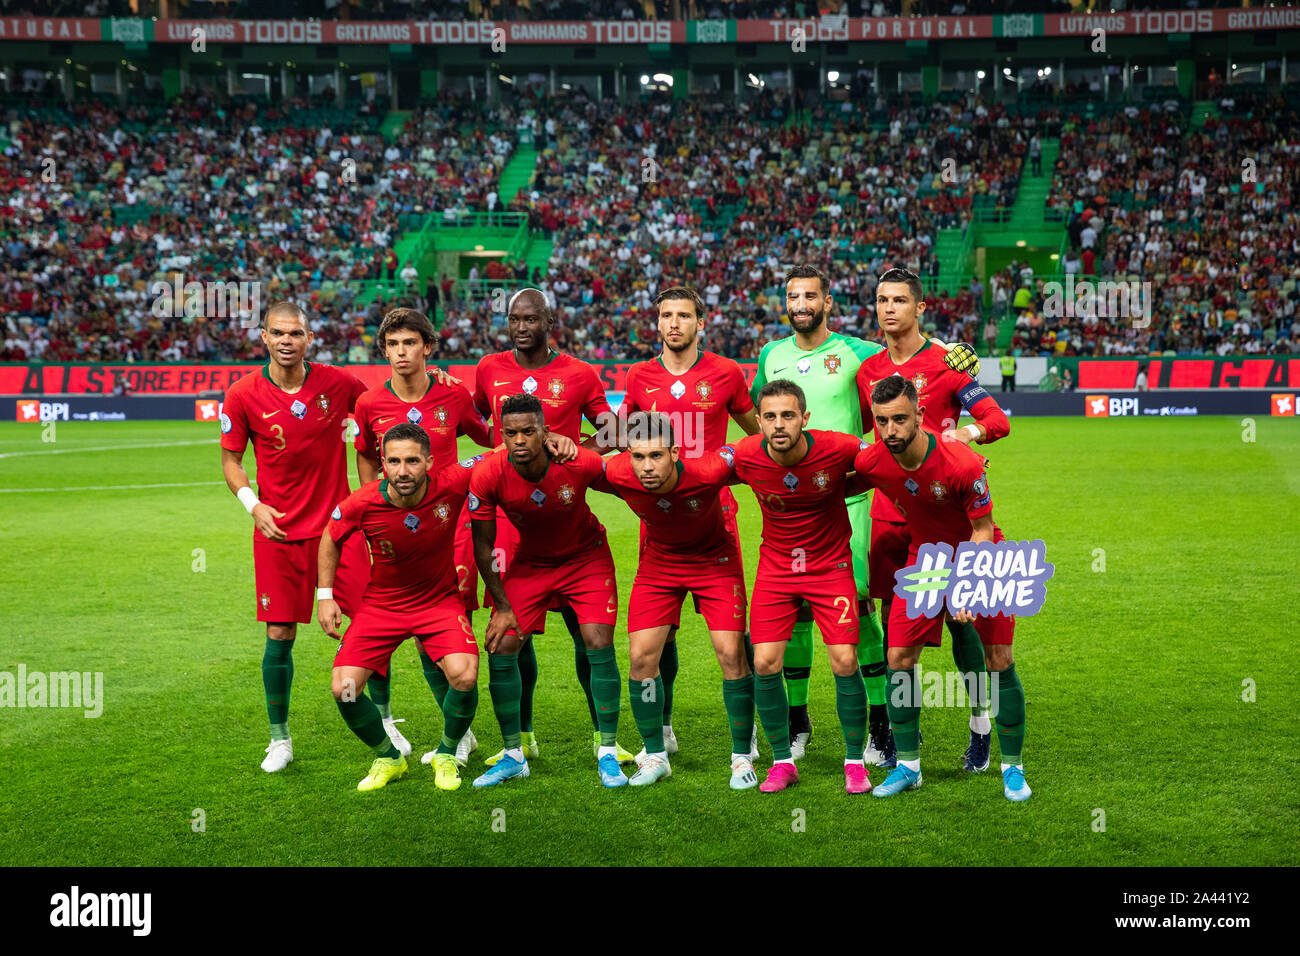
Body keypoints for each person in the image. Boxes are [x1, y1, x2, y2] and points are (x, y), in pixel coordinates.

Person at [750, 265, 978, 763]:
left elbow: (909, 362)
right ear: (785, 302)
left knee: (860, 605)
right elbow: (757, 417)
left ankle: (879, 726)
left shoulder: (859, 353)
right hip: (793, 507)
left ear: (827, 302)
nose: (802, 303)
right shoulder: (770, 355)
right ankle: (796, 720)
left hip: (853, 501)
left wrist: (952, 354)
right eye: (793, 296)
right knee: (797, 611)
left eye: (811, 295)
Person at [856, 267, 1010, 771]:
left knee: (965, 624)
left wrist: (964, 437)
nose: (888, 309)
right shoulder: (868, 370)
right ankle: (896, 734)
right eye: (881, 300)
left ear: (920, 307)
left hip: (948, 511)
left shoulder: (948, 362)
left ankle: (980, 723)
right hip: (890, 514)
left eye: (899, 300)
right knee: (893, 630)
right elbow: (871, 439)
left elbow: (996, 421)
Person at [472, 288, 634, 765]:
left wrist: (577, 449)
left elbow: (615, 431)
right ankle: (521, 738)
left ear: (548, 321)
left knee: (586, 634)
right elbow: (479, 421)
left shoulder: (579, 374)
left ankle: (603, 736)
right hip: (509, 514)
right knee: (514, 634)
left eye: (530, 319)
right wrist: (501, 454)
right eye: (513, 320)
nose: (521, 327)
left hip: (566, 509)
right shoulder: (488, 368)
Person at [854, 376, 1030, 802]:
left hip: (982, 555)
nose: (891, 430)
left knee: (999, 658)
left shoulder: (962, 463)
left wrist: (967, 586)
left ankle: (1013, 768)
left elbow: (983, 529)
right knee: (898, 655)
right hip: (926, 560)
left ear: (920, 415)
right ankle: (909, 767)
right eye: (882, 421)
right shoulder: (874, 461)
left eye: (899, 419)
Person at [219, 301, 369, 773]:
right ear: (263, 337)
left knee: (370, 625)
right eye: (277, 333)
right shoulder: (242, 394)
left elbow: (381, 405)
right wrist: (253, 504)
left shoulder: (338, 382)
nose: (286, 341)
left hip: (339, 530)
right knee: (280, 632)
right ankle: (279, 739)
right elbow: (231, 461)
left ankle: (384, 720)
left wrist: (436, 379)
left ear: (309, 338)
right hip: (279, 531)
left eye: (295, 333)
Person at [619, 286, 760, 759]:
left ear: (702, 322)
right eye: (666, 316)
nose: (674, 323)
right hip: (658, 519)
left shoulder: (726, 373)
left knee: (730, 638)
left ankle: (748, 731)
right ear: (657, 323)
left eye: (683, 316)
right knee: (659, 635)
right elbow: (622, 438)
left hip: (715, 517)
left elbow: (757, 435)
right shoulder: (640, 377)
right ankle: (662, 728)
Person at [352, 307, 493, 766]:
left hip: (453, 527)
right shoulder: (370, 403)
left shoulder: (454, 395)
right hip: (397, 531)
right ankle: (460, 733)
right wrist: (376, 512)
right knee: (411, 629)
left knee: (452, 624)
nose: (400, 352)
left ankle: (460, 730)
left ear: (427, 347)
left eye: (409, 343)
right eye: (392, 345)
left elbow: (488, 437)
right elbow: (369, 465)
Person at [720, 380, 872, 794]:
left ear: (805, 418)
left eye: (788, 415)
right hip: (776, 570)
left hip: (830, 567)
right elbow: (695, 472)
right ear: (758, 422)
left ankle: (855, 763)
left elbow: (885, 463)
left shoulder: (840, 447)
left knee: (843, 660)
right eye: (769, 417)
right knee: (766, 662)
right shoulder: (746, 454)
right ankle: (783, 762)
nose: (779, 424)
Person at [593, 411, 758, 789]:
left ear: (675, 452)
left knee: (731, 654)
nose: (647, 467)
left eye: (656, 456)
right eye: (638, 457)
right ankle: (655, 755)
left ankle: (741, 756)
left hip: (715, 561)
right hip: (659, 565)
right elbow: (572, 461)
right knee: (641, 658)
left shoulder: (709, 470)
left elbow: (757, 450)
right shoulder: (618, 472)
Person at [468, 394, 626, 788]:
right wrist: (502, 606)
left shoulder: (579, 462)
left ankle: (608, 751)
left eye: (528, 431)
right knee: (502, 643)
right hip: (532, 563)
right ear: (501, 435)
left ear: (545, 432)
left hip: (585, 560)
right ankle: (513, 755)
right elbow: (483, 546)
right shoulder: (489, 474)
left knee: (596, 640)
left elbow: (631, 489)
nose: (519, 440)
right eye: (511, 433)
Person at [316, 425, 484, 792]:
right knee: (344, 688)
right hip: (383, 606)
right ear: (383, 463)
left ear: (429, 461)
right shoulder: (362, 502)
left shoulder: (452, 482)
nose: (402, 471)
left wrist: (552, 439)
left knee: (465, 676)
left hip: (438, 602)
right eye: (393, 461)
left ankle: (447, 752)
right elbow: (331, 536)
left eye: (411, 461)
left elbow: (501, 452)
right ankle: (389, 757)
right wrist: (324, 594)